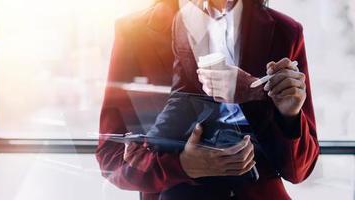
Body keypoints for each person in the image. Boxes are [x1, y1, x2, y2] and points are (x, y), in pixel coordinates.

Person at [96, 0, 319, 199]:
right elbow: (111, 159)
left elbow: (300, 170)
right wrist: (183, 165)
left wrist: (289, 115)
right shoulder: (134, 32)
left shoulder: (285, 31)